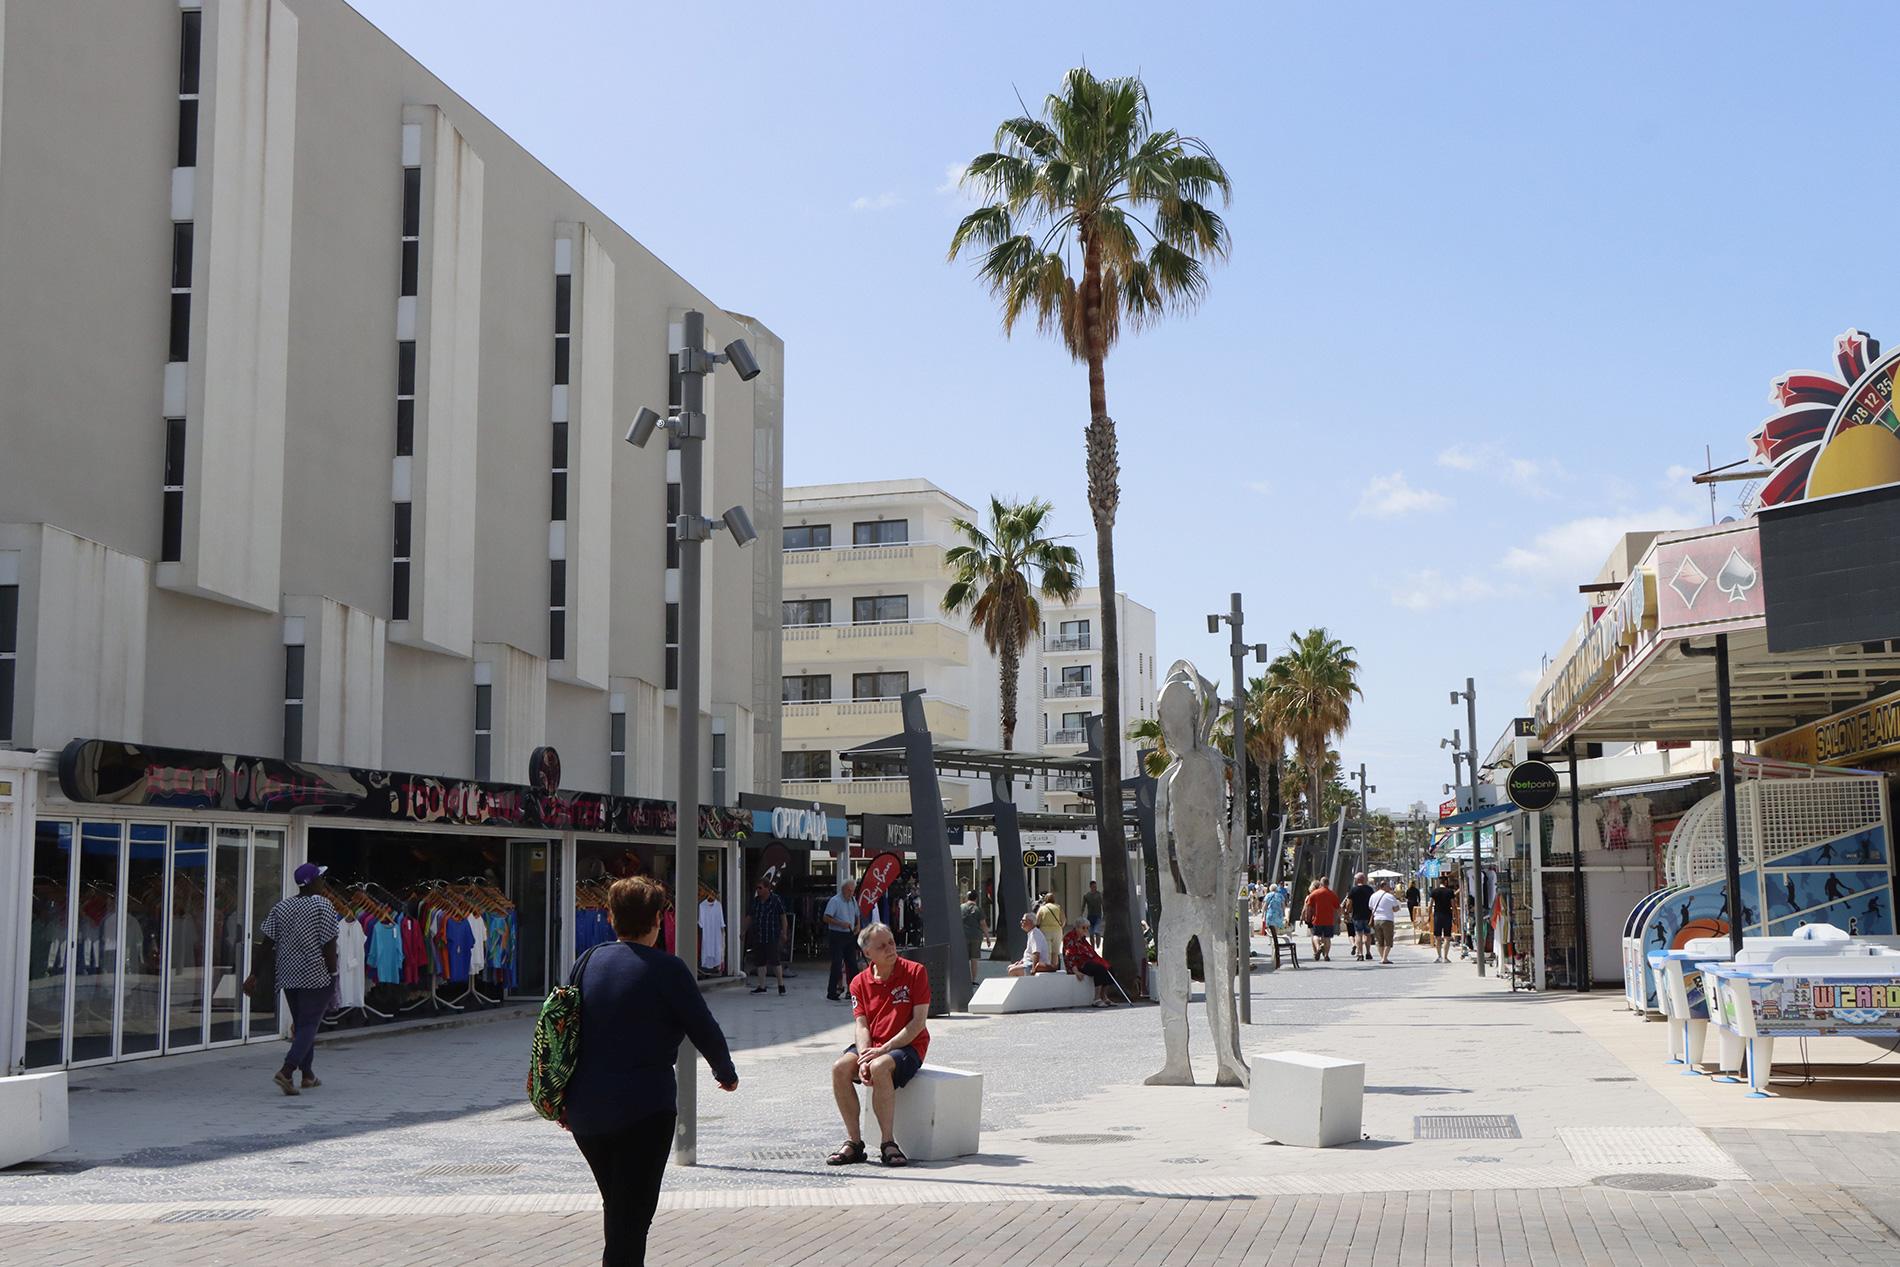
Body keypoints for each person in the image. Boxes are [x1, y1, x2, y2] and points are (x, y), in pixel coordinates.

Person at [565, 876, 737, 1266]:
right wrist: (724, 1071)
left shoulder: (586, 962)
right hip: (643, 1111)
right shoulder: (668, 969)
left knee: (620, 1207)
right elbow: (702, 1024)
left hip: (587, 1114)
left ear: (612, 918)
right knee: (632, 1218)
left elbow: (565, 1032)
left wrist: (563, 1097)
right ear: (659, 919)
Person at [828, 922, 929, 1168]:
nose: (890, 949)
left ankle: (888, 1142)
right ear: (867, 953)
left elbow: (918, 1023)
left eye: (892, 942)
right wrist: (863, 1056)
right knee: (840, 1068)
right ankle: (854, 1143)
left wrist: (881, 1052)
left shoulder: (916, 972)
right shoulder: (859, 982)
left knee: (880, 1067)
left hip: (907, 1046)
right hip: (873, 1044)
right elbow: (861, 1025)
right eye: (881, 946)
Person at [249, 862, 338, 1096]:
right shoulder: (323, 905)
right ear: (313, 882)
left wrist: (253, 974)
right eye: (321, 878)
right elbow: (329, 943)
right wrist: (333, 973)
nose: (324, 882)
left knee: (302, 1023)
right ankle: (286, 1071)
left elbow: (266, 944)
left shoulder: (282, 907)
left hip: (288, 974)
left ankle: (307, 1075)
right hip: (316, 974)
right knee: (309, 1024)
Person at [743, 879, 787, 996]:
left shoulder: (775, 900)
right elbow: (750, 917)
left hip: (772, 934)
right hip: (759, 935)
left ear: (767, 888)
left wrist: (784, 932)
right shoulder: (756, 901)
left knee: (775, 960)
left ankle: (781, 985)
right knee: (760, 961)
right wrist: (744, 931)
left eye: (760, 888)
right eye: (757, 888)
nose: (758, 890)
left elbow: (783, 916)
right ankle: (762, 987)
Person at [1062, 917, 1119, 1006]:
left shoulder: (1083, 939)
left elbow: (1091, 952)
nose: (1086, 930)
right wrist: (1076, 971)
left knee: (1109, 967)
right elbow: (1069, 955)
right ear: (1077, 927)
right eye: (1083, 928)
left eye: (1087, 928)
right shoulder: (1069, 938)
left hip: (1088, 961)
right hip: (1079, 964)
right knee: (1099, 969)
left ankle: (1104, 996)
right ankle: (1096, 998)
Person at [823, 879, 860, 1001]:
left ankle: (855, 991)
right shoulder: (835, 901)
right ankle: (832, 991)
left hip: (849, 935)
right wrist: (840, 923)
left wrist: (858, 925)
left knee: (852, 964)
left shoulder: (853, 901)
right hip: (837, 935)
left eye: (852, 891)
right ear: (843, 889)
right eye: (849, 891)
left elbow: (857, 915)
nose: (851, 893)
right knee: (837, 964)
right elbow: (826, 918)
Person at [1302, 878, 1340, 962]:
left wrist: (1307, 918)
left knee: (1316, 935)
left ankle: (1318, 947)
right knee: (1327, 938)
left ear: (1321, 884)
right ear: (1328, 883)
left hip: (1317, 919)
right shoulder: (1332, 894)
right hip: (1329, 920)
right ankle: (1326, 955)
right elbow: (1338, 908)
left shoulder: (1314, 893)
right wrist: (1338, 918)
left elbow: (1308, 907)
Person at [1008, 912, 1053, 976]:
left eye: (1023, 920)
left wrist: (1033, 969)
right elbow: (1029, 954)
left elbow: (1036, 953)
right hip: (1028, 962)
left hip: (1034, 964)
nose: (1021, 922)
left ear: (1030, 922)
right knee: (1010, 967)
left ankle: (1022, 985)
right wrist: (1021, 961)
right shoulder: (1031, 933)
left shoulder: (1035, 934)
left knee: (1012, 971)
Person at [1369, 880, 1403, 964]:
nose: (1389, 887)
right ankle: (1384, 958)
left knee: (1379, 940)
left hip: (1376, 920)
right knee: (1388, 940)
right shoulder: (1390, 896)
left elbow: (1370, 907)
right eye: (1387, 886)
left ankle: (1382, 957)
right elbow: (1395, 909)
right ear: (1384, 886)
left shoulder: (1373, 896)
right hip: (1387, 919)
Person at [1346, 872, 1375, 962]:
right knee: (1367, 934)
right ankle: (1368, 952)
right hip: (1368, 915)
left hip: (1357, 916)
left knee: (1358, 934)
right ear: (1364, 879)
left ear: (1358, 880)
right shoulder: (1370, 890)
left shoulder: (1353, 890)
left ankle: (1360, 954)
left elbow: (1349, 903)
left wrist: (1348, 911)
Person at [960, 889, 987, 986]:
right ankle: (973, 980)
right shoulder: (978, 909)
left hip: (963, 936)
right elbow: (983, 924)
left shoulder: (961, 907)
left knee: (964, 959)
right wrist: (987, 937)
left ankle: (964, 979)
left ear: (967, 898)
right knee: (974, 959)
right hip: (976, 936)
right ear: (976, 898)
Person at [1430, 875, 1457, 962]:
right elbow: (1453, 905)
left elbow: (1430, 905)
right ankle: (1445, 957)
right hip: (1447, 915)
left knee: (1437, 937)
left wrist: (1429, 915)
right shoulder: (1450, 892)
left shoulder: (1434, 891)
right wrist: (1455, 916)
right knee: (1447, 937)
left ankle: (1439, 956)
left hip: (1437, 915)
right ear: (1446, 882)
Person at [1035, 892, 1065, 969]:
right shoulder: (1058, 907)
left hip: (1045, 931)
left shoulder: (1042, 908)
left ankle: (1048, 967)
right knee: (1055, 951)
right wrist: (1060, 926)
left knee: (1047, 951)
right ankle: (1055, 966)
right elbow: (1064, 920)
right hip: (1057, 931)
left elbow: (1037, 921)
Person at [1263, 881, 1289, 968]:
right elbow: (1283, 906)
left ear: (1270, 889)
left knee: (1271, 934)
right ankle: (1275, 949)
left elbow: (1265, 906)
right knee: (1276, 933)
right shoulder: (1280, 896)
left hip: (1270, 916)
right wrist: (1284, 915)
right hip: (1278, 916)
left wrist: (1263, 914)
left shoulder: (1268, 895)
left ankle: (1274, 950)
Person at [1082, 880, 1105, 947]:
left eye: (1095, 886)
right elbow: (1083, 905)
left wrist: (1104, 914)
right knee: (1091, 933)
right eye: (1093, 886)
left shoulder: (1099, 895)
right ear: (1090, 887)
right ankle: (1093, 947)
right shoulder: (1086, 896)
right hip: (1090, 916)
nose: (1094, 887)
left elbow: (1103, 905)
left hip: (1098, 916)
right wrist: (1081, 914)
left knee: (1097, 931)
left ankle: (1098, 944)